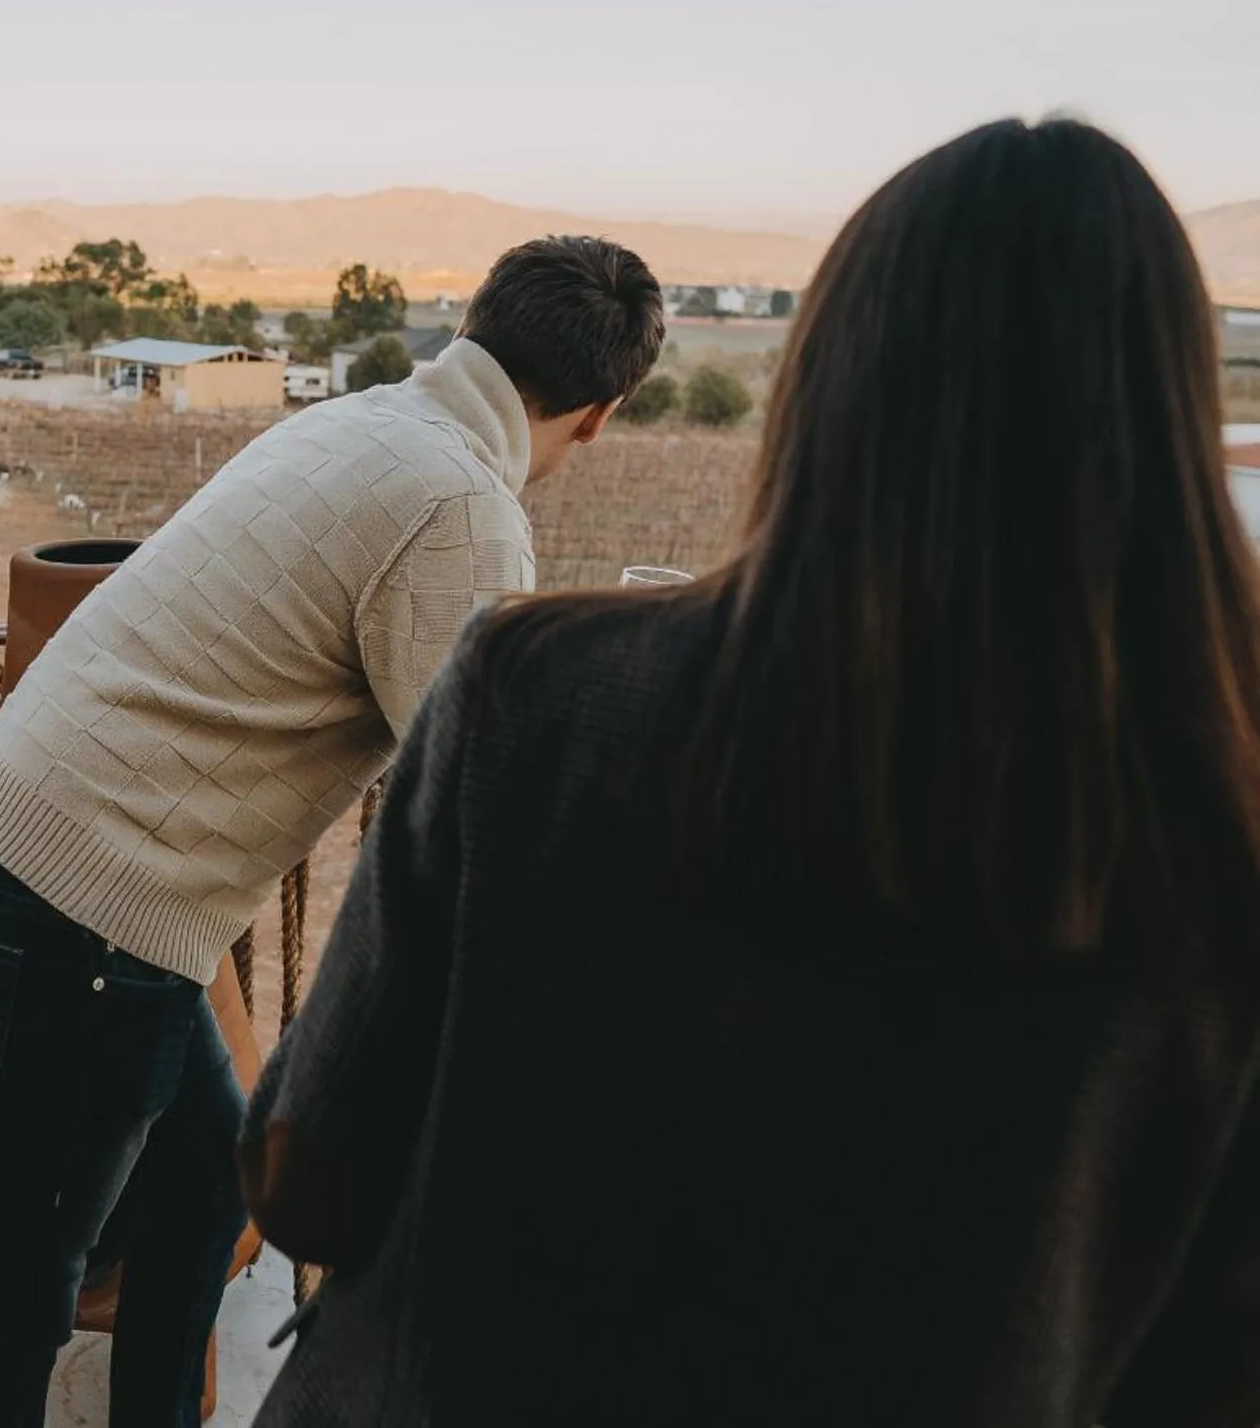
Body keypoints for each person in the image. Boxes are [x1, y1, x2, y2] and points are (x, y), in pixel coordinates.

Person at [240, 117, 1260, 1425]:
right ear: (1170, 421)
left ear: (829, 382)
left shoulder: (534, 698)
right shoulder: (1215, 858)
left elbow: (306, 1173)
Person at [0, 236, 664, 1425]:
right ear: (600, 412)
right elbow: (481, 801)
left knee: (205, 1188)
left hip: (19, 856)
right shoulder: (461, 507)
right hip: (80, 916)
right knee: (21, 1283)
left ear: (472, 323)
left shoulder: (362, 421)